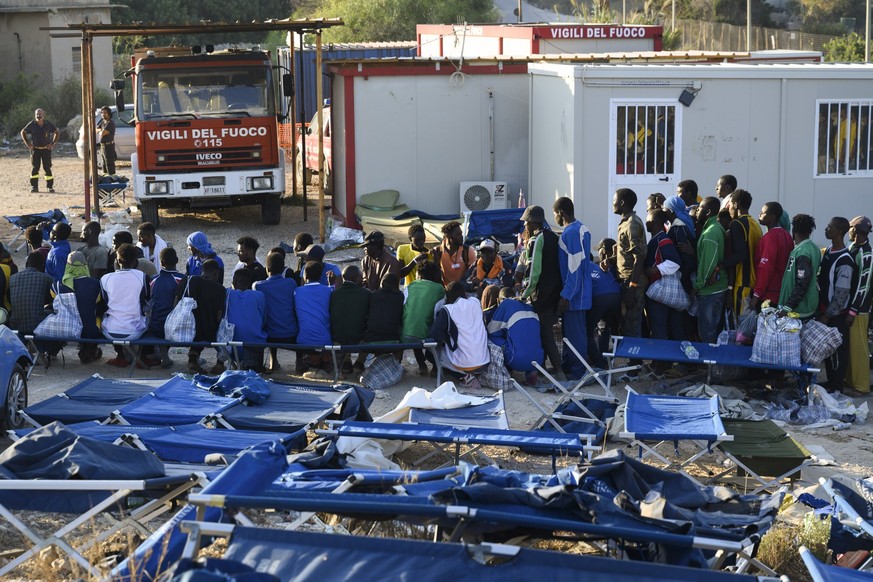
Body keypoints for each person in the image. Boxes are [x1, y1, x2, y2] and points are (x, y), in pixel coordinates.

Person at [519, 205, 563, 379]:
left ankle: (559, 371)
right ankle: (544, 368)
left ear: (532, 222)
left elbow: (533, 271)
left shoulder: (536, 240)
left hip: (541, 293)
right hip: (555, 291)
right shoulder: (553, 236)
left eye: (526, 223)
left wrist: (524, 294)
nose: (524, 226)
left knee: (545, 332)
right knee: (544, 331)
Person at [553, 196, 592, 380]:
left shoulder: (571, 232)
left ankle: (578, 373)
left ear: (560, 213)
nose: (555, 219)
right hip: (582, 291)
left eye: (555, 214)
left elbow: (574, 266)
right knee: (572, 334)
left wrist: (566, 295)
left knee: (576, 336)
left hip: (575, 294)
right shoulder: (582, 228)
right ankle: (570, 367)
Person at [817, 217, 855, 391]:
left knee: (837, 351)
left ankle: (837, 385)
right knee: (828, 350)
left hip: (835, 314)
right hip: (825, 309)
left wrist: (827, 315)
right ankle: (831, 382)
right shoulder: (829, 251)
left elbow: (841, 294)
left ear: (839, 232)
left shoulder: (845, 260)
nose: (826, 229)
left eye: (829, 227)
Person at [429, 281, 490, 389]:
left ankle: (466, 377)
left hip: (463, 364)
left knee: (430, 354)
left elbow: (435, 335)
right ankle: (474, 374)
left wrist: (447, 337)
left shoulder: (447, 309)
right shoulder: (475, 302)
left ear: (447, 297)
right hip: (484, 362)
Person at [100, 243, 149, 367]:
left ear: (118, 260)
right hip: (135, 331)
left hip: (110, 331)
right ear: (135, 261)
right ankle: (142, 357)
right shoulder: (142, 277)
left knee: (108, 315)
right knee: (148, 315)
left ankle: (120, 356)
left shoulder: (105, 278)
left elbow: (104, 303)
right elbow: (146, 299)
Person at [253, 251, 299, 374]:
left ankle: (273, 361)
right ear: (283, 268)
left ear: (267, 269)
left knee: (268, 321)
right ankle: (299, 363)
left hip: (270, 335)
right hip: (291, 333)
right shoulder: (291, 283)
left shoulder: (258, 286)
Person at [487, 287, 544, 386]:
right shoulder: (529, 306)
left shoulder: (505, 304)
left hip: (516, 360)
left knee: (491, 338)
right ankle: (531, 373)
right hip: (538, 360)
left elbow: (491, 330)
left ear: (498, 300)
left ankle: (503, 369)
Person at [178, 258, 226, 374]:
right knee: (222, 330)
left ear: (201, 271)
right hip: (209, 333)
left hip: (186, 331)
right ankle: (220, 364)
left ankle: (193, 360)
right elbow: (219, 317)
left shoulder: (188, 280)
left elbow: (176, 303)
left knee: (197, 328)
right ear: (216, 273)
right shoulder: (220, 289)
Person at [644, 209, 684, 345]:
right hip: (660, 292)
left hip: (659, 291)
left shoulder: (662, 238)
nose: (646, 222)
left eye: (648, 220)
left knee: (659, 330)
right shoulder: (656, 238)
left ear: (654, 222)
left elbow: (675, 262)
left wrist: (654, 270)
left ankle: (661, 364)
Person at [54, 251, 102, 364]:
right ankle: (90, 350)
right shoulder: (96, 284)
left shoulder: (57, 286)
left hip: (66, 330)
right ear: (85, 265)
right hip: (90, 332)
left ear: (67, 266)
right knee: (96, 315)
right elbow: (100, 306)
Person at [693, 197, 729, 343]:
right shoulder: (712, 228)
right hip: (715, 288)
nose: (696, 211)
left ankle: (711, 365)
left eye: (700, 208)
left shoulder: (711, 232)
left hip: (711, 290)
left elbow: (708, 264)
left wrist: (697, 285)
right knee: (711, 330)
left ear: (707, 212)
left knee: (707, 332)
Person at [613, 188, 647, 339]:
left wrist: (632, 288)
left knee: (632, 326)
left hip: (632, 282)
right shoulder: (625, 222)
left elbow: (639, 256)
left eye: (614, 200)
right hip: (625, 280)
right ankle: (634, 361)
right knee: (627, 325)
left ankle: (636, 361)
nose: (612, 203)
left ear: (621, 202)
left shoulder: (632, 224)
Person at [723, 189, 762, 316]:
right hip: (754, 282)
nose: (728, 208)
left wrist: (720, 264)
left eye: (729, 204)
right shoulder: (755, 224)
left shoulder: (737, 223)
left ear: (735, 204)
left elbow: (740, 255)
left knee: (741, 330)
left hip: (742, 284)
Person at [401, 261, 445, 376]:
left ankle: (421, 365)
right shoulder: (439, 289)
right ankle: (436, 367)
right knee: (434, 325)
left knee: (415, 324)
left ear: (418, 274)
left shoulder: (410, 286)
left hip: (406, 334)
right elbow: (440, 314)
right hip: (427, 337)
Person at [750, 202, 794, 310]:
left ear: (772, 216)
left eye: (763, 213)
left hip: (768, 296)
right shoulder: (787, 236)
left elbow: (766, 269)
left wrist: (756, 295)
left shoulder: (771, 237)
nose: (759, 215)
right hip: (781, 293)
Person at [147, 247, 186, 368]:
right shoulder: (182, 279)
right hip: (174, 328)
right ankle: (194, 357)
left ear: (161, 263)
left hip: (155, 325)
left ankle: (162, 353)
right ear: (177, 260)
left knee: (160, 314)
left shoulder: (153, 279)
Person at [846, 216, 873, 394]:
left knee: (859, 349)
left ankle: (862, 387)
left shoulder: (867, 254)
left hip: (859, 310)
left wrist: (853, 311)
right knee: (849, 348)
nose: (849, 230)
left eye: (850, 228)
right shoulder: (852, 247)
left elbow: (863, 286)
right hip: (850, 308)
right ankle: (850, 381)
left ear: (856, 230)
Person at [330, 264, 371, 374]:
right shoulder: (366, 294)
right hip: (358, 340)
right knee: (370, 331)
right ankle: (360, 362)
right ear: (354, 278)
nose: (362, 280)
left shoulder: (334, 294)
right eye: (361, 277)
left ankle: (346, 360)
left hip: (336, 338)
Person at [294, 261, 333, 377]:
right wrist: (331, 284)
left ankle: (313, 363)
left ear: (305, 276)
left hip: (303, 339)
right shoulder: (328, 290)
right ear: (321, 276)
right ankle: (325, 361)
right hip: (325, 339)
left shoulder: (297, 291)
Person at [778, 214, 820, 321]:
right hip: (803, 306)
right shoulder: (814, 248)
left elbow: (802, 283)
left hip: (798, 311)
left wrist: (787, 307)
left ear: (794, 230)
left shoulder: (803, 252)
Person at [588, 242, 621, 369]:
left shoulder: (590, 266)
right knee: (604, 328)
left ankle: (598, 363)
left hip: (600, 297)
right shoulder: (603, 268)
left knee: (587, 332)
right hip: (616, 295)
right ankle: (603, 359)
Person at [226, 268, 267, 371]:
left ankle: (231, 364)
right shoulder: (259, 295)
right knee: (261, 333)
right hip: (254, 345)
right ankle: (257, 366)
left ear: (234, 282)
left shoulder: (228, 293)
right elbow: (263, 319)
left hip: (230, 346)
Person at [8, 251, 53, 335]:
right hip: (36, 325)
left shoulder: (13, 278)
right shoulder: (46, 278)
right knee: (52, 312)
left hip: (15, 325)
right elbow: (53, 300)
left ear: (26, 263)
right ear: (43, 265)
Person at [20, 108, 59, 193]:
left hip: (46, 150)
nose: (38, 116)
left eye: (40, 114)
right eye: (37, 114)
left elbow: (56, 132)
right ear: (35, 115)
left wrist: (53, 143)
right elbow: (23, 132)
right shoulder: (32, 124)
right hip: (35, 150)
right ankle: (34, 187)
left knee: (47, 168)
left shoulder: (48, 124)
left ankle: (50, 187)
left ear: (43, 115)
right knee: (35, 168)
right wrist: (28, 144)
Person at [363, 273, 404, 344]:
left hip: (372, 339)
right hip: (392, 338)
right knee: (399, 351)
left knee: (363, 352)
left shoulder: (374, 295)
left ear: (382, 283)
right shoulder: (400, 296)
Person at [434, 221, 475, 288]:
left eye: (461, 234)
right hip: (446, 290)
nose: (461, 237)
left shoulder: (468, 251)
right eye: (458, 234)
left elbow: (473, 273)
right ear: (448, 236)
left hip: (463, 289)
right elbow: (434, 274)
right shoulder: (437, 251)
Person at [96, 106, 117, 175]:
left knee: (109, 162)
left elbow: (103, 133)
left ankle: (112, 176)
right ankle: (105, 175)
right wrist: (100, 131)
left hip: (109, 145)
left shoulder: (110, 123)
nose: (103, 114)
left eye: (105, 113)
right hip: (103, 145)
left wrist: (101, 132)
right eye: (102, 113)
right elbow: (96, 130)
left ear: (109, 114)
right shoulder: (102, 122)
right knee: (104, 161)